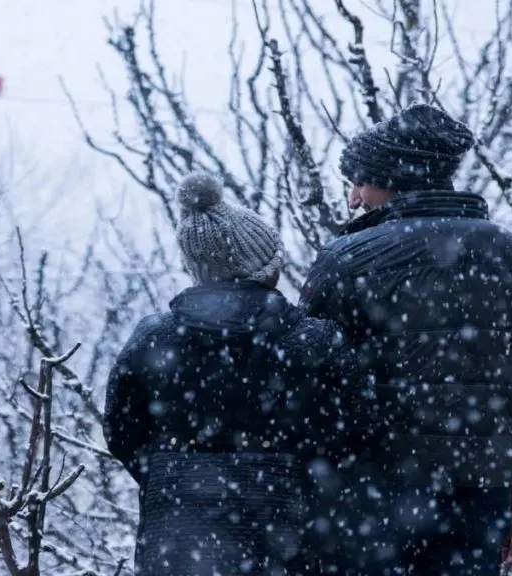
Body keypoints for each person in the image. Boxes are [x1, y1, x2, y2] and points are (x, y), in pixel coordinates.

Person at [299, 104, 512, 575]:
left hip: (369, 494)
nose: (353, 199)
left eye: (360, 182)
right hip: (482, 494)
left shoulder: (346, 260)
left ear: (392, 179)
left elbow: (310, 383)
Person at [104, 171, 367, 575]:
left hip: (177, 530)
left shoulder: (153, 339)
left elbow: (122, 430)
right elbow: (355, 426)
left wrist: (173, 473)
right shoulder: (315, 341)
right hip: (290, 527)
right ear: (264, 269)